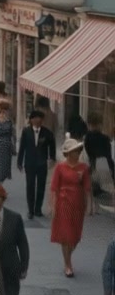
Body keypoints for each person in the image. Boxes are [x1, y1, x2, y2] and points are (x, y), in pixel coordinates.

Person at [50, 138, 93, 278]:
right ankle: (67, 264)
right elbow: (54, 188)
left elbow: (87, 188)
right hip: (63, 203)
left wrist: (89, 205)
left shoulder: (83, 168)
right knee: (65, 235)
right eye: (75, 151)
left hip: (78, 204)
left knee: (74, 237)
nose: (78, 153)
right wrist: (53, 206)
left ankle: (68, 257)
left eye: (79, 150)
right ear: (68, 153)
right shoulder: (60, 167)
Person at [17, 108, 57, 219]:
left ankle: (38, 209)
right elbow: (22, 147)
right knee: (30, 186)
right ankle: (30, 210)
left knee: (41, 186)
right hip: (29, 163)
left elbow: (52, 145)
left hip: (42, 164)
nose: (38, 120)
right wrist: (19, 161)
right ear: (31, 120)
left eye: (40, 118)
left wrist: (52, 158)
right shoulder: (26, 132)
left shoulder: (47, 133)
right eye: (36, 118)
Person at [84, 113, 115, 198]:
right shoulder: (105, 138)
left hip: (93, 164)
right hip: (104, 165)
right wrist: (112, 171)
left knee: (94, 192)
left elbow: (88, 152)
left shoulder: (87, 137)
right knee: (104, 193)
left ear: (89, 124)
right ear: (100, 124)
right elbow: (108, 156)